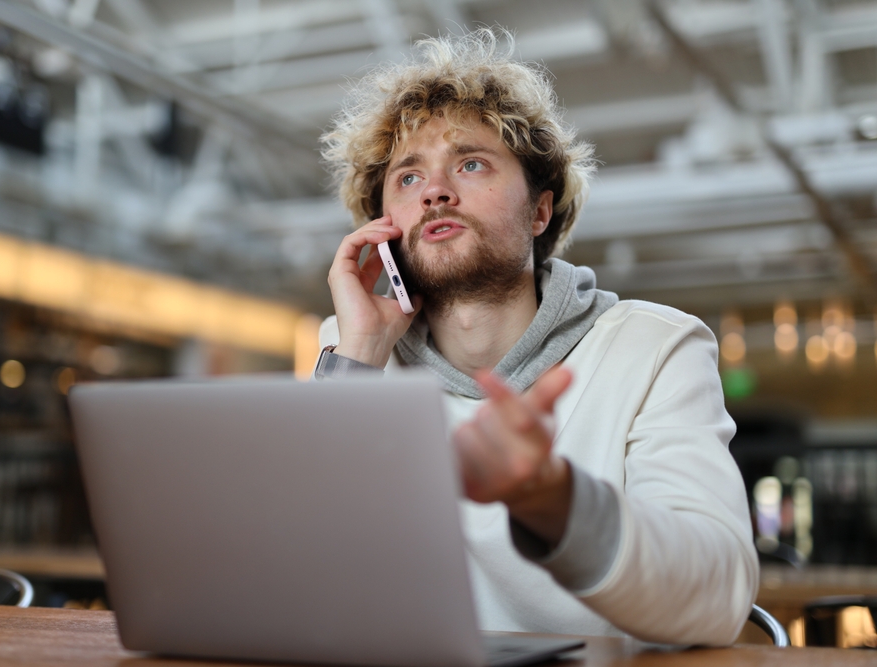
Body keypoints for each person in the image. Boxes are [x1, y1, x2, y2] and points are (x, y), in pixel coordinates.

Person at [314, 29, 758, 645]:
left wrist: (554, 500)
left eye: (471, 163)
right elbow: (306, 578)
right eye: (408, 178)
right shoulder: (351, 352)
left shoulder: (656, 347)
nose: (436, 190)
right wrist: (358, 358)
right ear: (383, 227)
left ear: (540, 210)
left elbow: (717, 599)